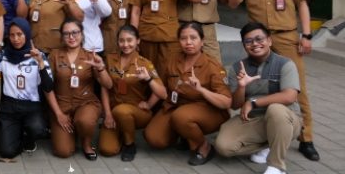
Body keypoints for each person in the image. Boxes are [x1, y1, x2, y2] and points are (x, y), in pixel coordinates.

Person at [227, 0, 319, 161]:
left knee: (297, 88)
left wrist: (307, 35)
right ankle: (265, 132)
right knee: (262, 85)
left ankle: (306, 138)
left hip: (286, 38)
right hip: (258, 42)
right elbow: (232, 3)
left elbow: (302, 4)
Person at [215, 22, 303, 174]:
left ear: (269, 40)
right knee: (224, 146)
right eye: (248, 41)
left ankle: (277, 166)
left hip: (286, 119)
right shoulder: (237, 67)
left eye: (259, 39)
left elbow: (290, 96)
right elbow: (235, 105)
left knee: (275, 110)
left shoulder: (285, 64)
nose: (255, 44)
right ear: (244, 45)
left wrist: (253, 102)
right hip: (254, 119)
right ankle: (270, 144)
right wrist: (241, 86)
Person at [144, 22, 231, 166]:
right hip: (175, 106)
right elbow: (162, 87)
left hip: (207, 109)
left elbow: (226, 102)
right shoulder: (172, 59)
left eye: (193, 38)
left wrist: (201, 90)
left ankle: (204, 147)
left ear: (202, 41)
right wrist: (148, 104)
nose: (188, 42)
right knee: (154, 138)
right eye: (183, 38)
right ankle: (186, 135)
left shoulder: (212, 66)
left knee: (181, 117)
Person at [47, 19, 113, 160]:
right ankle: (72, 131)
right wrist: (58, 113)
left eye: (75, 33)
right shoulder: (54, 56)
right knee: (63, 152)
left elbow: (108, 85)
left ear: (82, 34)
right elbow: (47, 88)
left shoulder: (90, 56)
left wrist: (101, 68)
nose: (71, 37)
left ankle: (86, 143)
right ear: (62, 37)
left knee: (85, 121)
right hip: (62, 105)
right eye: (66, 34)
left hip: (86, 103)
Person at [99, 24, 166, 161]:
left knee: (122, 111)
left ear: (138, 41)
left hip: (137, 111)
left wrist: (149, 103)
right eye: (121, 41)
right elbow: (104, 88)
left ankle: (129, 144)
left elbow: (162, 93)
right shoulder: (110, 59)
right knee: (107, 149)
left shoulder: (144, 63)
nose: (125, 44)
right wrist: (107, 114)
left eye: (130, 40)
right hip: (114, 112)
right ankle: (121, 132)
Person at [0, 17, 53, 159]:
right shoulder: (3, 55)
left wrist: (40, 64)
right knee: (7, 152)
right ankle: (15, 131)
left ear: (27, 34)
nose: (16, 39)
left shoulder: (38, 55)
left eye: (20, 34)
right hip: (9, 108)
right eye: (12, 35)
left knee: (38, 129)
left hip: (31, 107)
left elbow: (48, 86)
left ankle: (28, 138)